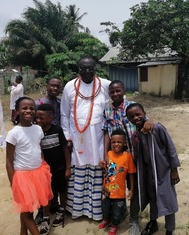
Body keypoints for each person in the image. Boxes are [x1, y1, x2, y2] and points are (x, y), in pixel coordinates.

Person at [60, 54, 111, 221]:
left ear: (96, 69)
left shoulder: (105, 84)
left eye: (91, 68)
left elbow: (118, 102)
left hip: (98, 138)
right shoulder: (69, 86)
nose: (87, 71)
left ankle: (95, 211)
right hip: (77, 137)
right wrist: (67, 136)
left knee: (97, 170)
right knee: (79, 172)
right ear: (78, 69)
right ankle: (77, 210)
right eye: (84, 69)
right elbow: (64, 114)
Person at [102, 80, 153, 235]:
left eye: (118, 90)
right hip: (115, 157)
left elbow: (146, 120)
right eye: (112, 91)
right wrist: (105, 154)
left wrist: (150, 121)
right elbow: (106, 133)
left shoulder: (132, 106)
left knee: (133, 188)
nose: (115, 94)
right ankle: (119, 212)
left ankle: (133, 219)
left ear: (124, 90)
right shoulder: (107, 110)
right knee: (114, 184)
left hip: (134, 155)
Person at [126, 103, 180, 235]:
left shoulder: (157, 128)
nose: (136, 118)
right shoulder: (135, 136)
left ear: (145, 113)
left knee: (168, 199)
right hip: (148, 173)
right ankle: (153, 222)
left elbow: (170, 148)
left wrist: (174, 170)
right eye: (132, 117)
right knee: (152, 198)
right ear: (129, 120)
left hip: (163, 171)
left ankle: (169, 229)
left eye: (138, 114)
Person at [5, 96, 53, 235]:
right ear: (17, 111)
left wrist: (43, 165)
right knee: (27, 213)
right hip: (22, 176)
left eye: (32, 108)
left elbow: (39, 149)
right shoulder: (13, 133)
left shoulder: (38, 129)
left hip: (38, 173)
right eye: (24, 108)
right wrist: (13, 182)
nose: (29, 111)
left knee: (27, 209)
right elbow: (9, 161)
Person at [36, 103, 71, 234]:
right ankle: (45, 218)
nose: (38, 121)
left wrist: (68, 167)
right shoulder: (36, 132)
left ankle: (62, 210)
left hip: (60, 168)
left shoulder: (57, 130)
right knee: (47, 194)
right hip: (45, 170)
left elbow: (65, 149)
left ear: (51, 117)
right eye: (37, 118)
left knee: (62, 190)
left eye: (41, 118)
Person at [34, 77, 63, 224]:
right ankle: (41, 210)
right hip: (39, 145)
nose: (55, 88)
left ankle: (55, 205)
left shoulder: (60, 104)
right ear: (47, 85)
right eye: (52, 85)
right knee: (42, 180)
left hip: (56, 144)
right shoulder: (37, 103)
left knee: (56, 178)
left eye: (58, 86)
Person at [98, 129, 136, 235]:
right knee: (105, 207)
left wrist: (132, 190)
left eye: (119, 142)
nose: (116, 144)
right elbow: (107, 170)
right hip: (106, 190)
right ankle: (106, 219)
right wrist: (102, 166)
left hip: (119, 192)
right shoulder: (108, 154)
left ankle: (114, 225)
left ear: (124, 143)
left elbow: (131, 174)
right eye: (113, 142)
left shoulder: (127, 156)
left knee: (117, 211)